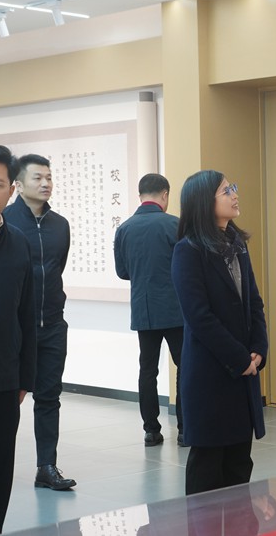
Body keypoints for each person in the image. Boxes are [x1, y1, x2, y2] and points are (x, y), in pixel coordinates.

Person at [171, 171, 268, 495]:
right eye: (226, 191)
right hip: (211, 373)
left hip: (243, 372)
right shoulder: (188, 251)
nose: (235, 195)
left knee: (239, 463)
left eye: (233, 188)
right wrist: (240, 359)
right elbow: (199, 317)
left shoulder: (238, 245)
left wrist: (259, 348)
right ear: (203, 202)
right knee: (208, 467)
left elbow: (254, 302)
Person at [3, 153, 76, 490]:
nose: (46, 183)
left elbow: (56, 268)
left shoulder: (60, 224)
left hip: (52, 324)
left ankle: (46, 466)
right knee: (5, 401)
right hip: (14, 329)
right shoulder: (5, 222)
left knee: (49, 396)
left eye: (49, 177)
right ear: (18, 184)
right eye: (38, 178)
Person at [114, 173, 185, 447]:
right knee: (184, 366)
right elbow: (187, 267)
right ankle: (185, 429)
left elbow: (122, 272)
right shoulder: (175, 225)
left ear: (140, 195)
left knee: (147, 370)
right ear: (165, 195)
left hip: (144, 310)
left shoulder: (124, 229)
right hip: (176, 309)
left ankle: (151, 431)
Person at [0, 146, 37, 535]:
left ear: (11, 190)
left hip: (3, 380)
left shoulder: (19, 242)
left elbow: (28, 314)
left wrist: (26, 377)